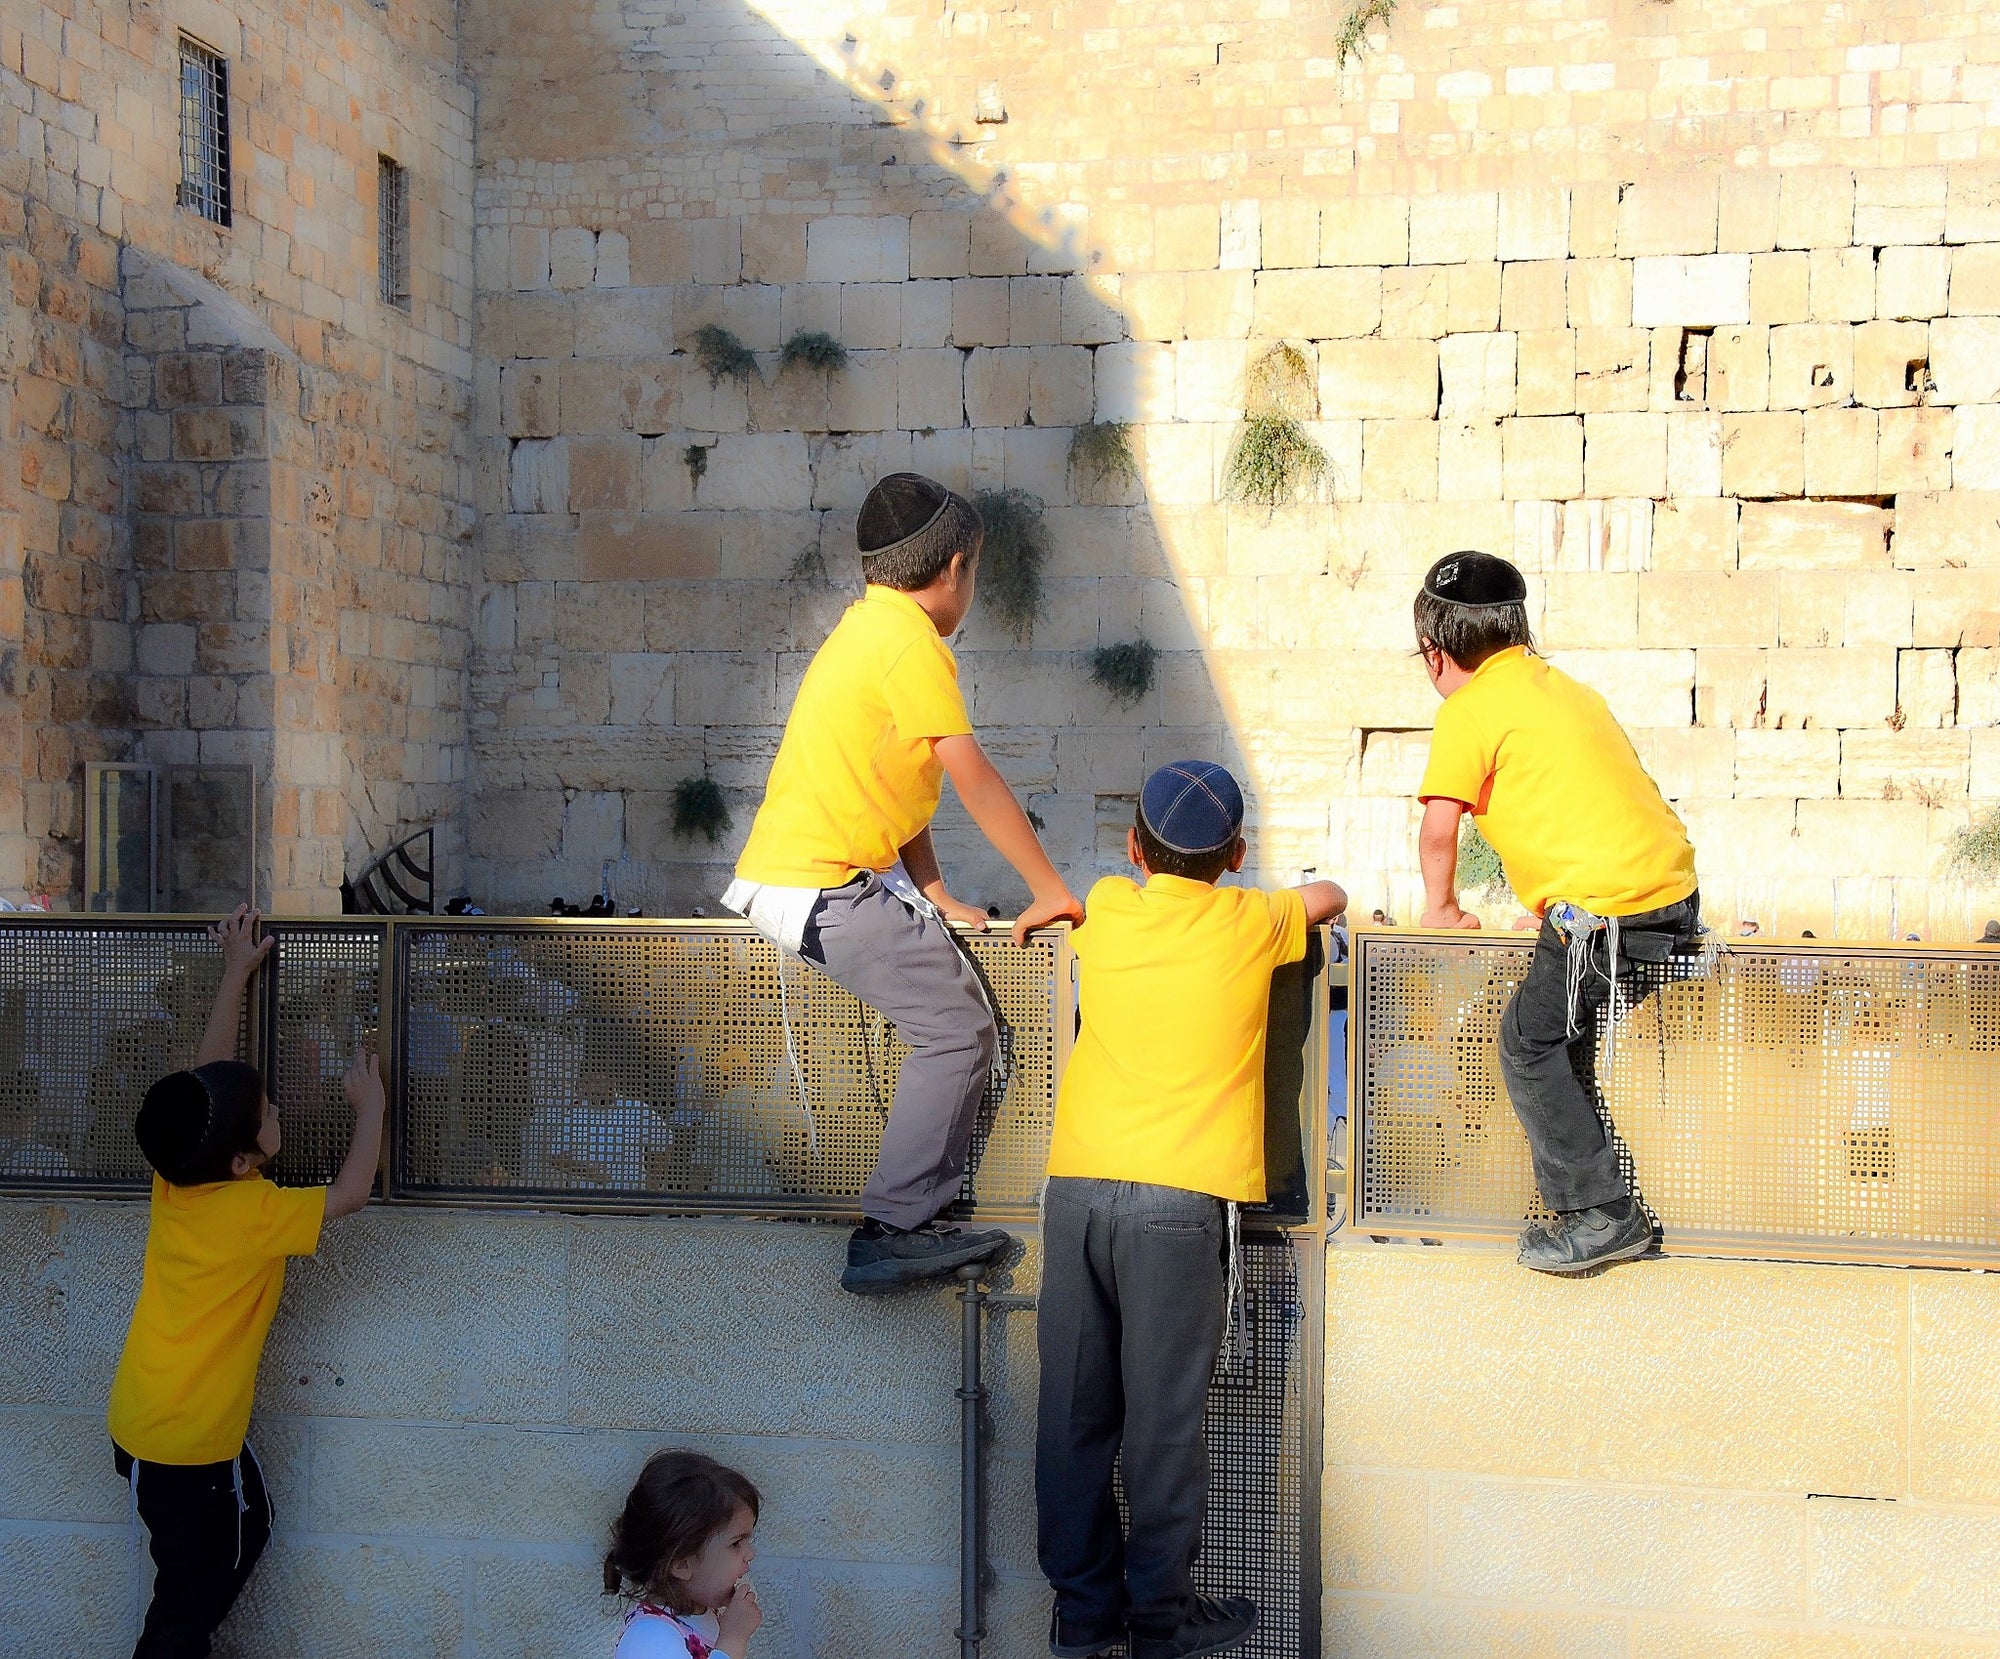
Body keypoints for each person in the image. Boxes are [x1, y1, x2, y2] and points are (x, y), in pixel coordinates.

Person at [724, 472, 1084, 1294]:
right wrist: (1049, 887)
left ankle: (912, 1211)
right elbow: (971, 776)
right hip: (822, 881)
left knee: (951, 1014)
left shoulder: (868, 627)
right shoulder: (913, 644)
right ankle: (895, 1226)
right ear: (955, 568)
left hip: (806, 875)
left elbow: (901, 773)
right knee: (958, 1027)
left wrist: (936, 890)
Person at [1036, 761, 1344, 1659]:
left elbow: (1091, 908)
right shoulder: (1255, 920)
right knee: (1162, 1423)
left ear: (1134, 849)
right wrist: (1284, 891)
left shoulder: (1110, 906)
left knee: (1073, 1414)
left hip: (1079, 1190)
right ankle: (1163, 1623)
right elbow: (1329, 893)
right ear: (1237, 855)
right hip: (1179, 1205)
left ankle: (1082, 1614)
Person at [107, 905, 386, 1658]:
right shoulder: (258, 1210)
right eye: (265, 1112)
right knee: (182, 1609)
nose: (277, 1108)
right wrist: (372, 1109)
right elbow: (354, 1192)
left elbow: (207, 1081)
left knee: (244, 1528)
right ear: (240, 1159)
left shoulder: (178, 1181)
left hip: (153, 1427)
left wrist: (236, 973)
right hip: (187, 1450)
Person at [1412, 550, 1700, 1275]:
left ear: (1434, 654)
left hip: (1604, 910)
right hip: (1668, 891)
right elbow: (1584, 807)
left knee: (1524, 1044)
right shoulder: (1570, 691)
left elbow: (1439, 827)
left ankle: (1602, 1213)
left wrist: (1442, 912)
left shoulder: (1468, 710)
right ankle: (1599, 1197)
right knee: (1562, 1033)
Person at [603, 1450, 763, 1659]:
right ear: (681, 1564)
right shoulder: (649, 1638)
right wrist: (733, 1640)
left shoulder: (705, 1616)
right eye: (736, 1543)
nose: (750, 1553)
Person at [521, 1068, 674, 1190]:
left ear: (612, 1082)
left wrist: (653, 1182)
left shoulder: (636, 1110)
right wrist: (589, 1173)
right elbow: (556, 1157)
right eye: (589, 1082)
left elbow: (664, 1143)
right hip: (583, 1198)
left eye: (599, 1082)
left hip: (628, 1197)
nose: (594, 1086)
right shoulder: (575, 1114)